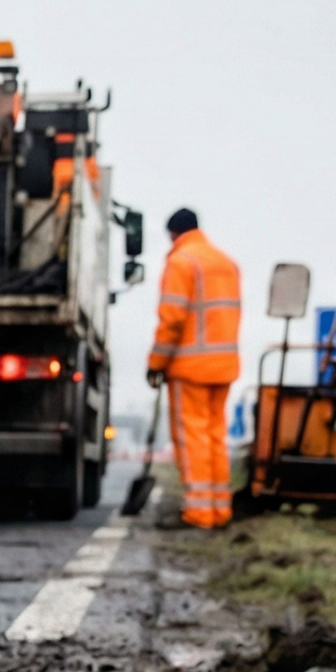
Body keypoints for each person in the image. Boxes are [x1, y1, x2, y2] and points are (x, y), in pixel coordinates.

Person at [146, 207, 242, 528]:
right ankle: (219, 510)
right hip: (224, 365)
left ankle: (199, 513)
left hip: (190, 367)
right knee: (215, 436)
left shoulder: (181, 262)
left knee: (192, 439)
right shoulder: (226, 263)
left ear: (174, 234)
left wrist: (156, 363)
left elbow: (171, 319)